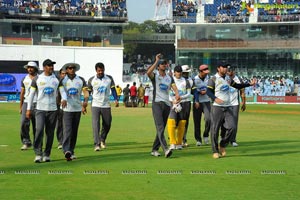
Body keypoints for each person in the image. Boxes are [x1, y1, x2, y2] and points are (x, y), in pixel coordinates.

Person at [206, 62, 256, 159]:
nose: (225, 69)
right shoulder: (213, 79)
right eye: (223, 67)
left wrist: (249, 84)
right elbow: (208, 91)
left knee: (232, 127)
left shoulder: (228, 78)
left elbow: (237, 86)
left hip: (228, 107)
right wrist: (215, 99)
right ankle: (215, 151)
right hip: (217, 107)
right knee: (215, 129)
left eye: (226, 67)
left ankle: (223, 145)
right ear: (218, 68)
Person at [26, 59, 64, 163]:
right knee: (38, 130)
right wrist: (28, 109)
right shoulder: (37, 79)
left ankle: (47, 154)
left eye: (52, 65)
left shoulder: (56, 78)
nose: (51, 67)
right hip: (39, 109)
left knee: (50, 133)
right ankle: (38, 154)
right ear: (44, 67)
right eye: (49, 66)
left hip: (52, 110)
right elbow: (31, 95)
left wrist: (64, 98)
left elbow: (62, 91)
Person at [147, 53, 180, 158]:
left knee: (161, 128)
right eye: (162, 64)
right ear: (158, 66)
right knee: (160, 127)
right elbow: (148, 72)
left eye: (165, 64)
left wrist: (177, 94)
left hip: (166, 104)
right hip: (157, 104)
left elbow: (174, 87)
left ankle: (154, 149)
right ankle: (166, 149)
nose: (164, 65)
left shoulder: (169, 78)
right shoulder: (155, 76)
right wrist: (156, 61)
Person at [59, 62, 89, 161]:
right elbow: (60, 92)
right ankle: (66, 150)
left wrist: (85, 102)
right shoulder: (63, 80)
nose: (71, 69)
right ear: (66, 70)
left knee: (74, 131)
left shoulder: (80, 80)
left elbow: (85, 92)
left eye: (73, 68)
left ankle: (71, 151)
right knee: (68, 130)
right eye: (69, 68)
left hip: (77, 108)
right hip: (67, 109)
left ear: (75, 69)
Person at [88, 62, 118, 151]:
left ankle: (102, 139)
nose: (100, 72)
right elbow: (88, 92)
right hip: (95, 105)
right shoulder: (91, 80)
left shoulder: (109, 78)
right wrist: (85, 101)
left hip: (106, 105)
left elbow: (113, 89)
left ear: (104, 69)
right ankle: (96, 144)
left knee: (107, 123)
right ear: (96, 70)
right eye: (99, 70)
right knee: (95, 125)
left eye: (102, 70)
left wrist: (116, 99)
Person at [220, 66, 246, 147]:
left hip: (235, 103)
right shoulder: (223, 78)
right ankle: (223, 137)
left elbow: (242, 91)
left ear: (234, 71)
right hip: (224, 103)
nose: (229, 72)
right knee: (223, 121)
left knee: (234, 123)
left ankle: (233, 140)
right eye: (228, 70)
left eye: (231, 70)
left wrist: (244, 102)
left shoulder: (239, 80)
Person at [167, 65, 191, 150]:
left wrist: (181, 98)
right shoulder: (170, 81)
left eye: (180, 72)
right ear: (174, 72)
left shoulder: (186, 81)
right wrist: (173, 101)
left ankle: (179, 143)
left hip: (183, 103)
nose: (179, 73)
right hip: (173, 103)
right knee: (171, 121)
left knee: (182, 123)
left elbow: (188, 93)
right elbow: (168, 93)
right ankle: (172, 143)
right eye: (177, 72)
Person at [19, 61, 39, 150]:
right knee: (23, 123)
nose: (29, 69)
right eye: (28, 67)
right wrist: (20, 106)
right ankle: (26, 142)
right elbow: (22, 93)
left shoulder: (40, 78)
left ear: (36, 68)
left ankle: (36, 143)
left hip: (38, 103)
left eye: (31, 67)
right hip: (27, 103)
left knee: (37, 125)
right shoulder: (24, 79)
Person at [192, 64, 211, 146]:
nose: (206, 73)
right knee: (197, 121)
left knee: (209, 119)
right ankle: (198, 139)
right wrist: (199, 92)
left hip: (207, 101)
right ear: (200, 71)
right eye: (205, 72)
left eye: (207, 72)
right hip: (197, 102)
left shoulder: (209, 78)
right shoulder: (195, 79)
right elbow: (192, 91)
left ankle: (206, 134)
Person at [181, 65, 193, 147]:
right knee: (177, 121)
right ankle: (176, 138)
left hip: (187, 102)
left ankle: (183, 138)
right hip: (178, 102)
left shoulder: (190, 81)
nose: (187, 74)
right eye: (185, 73)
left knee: (185, 121)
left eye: (187, 73)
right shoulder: (177, 80)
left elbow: (192, 91)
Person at [56, 68, 66, 149]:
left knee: (67, 125)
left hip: (69, 107)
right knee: (59, 124)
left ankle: (66, 141)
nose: (64, 75)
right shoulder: (57, 82)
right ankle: (60, 141)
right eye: (62, 74)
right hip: (57, 106)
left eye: (65, 74)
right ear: (60, 74)